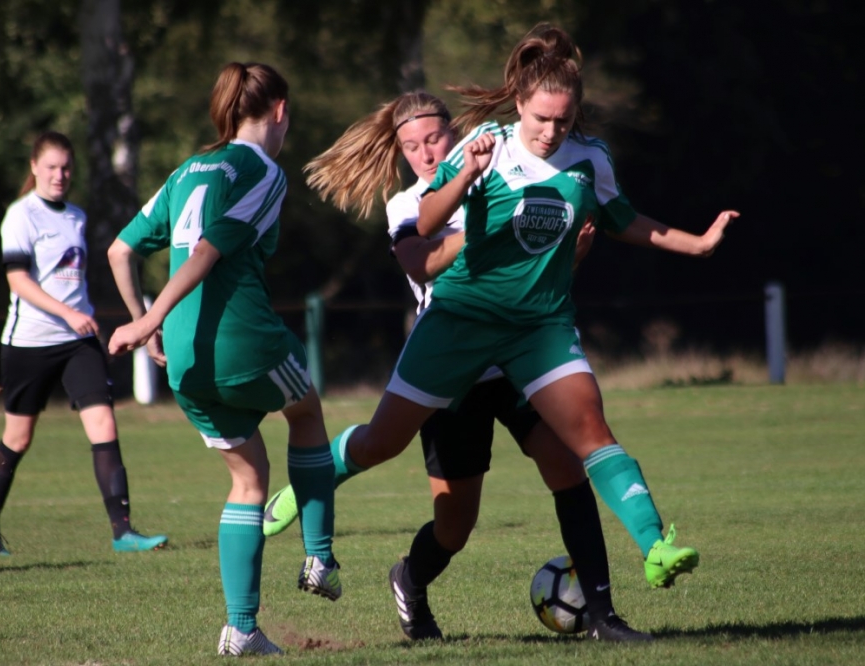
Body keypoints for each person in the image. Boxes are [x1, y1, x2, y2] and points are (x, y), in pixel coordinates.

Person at [265, 91, 651, 642]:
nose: (426, 154)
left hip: (519, 361)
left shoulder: (509, 171)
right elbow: (423, 267)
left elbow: (535, 274)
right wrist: (487, 228)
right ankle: (402, 570)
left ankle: (605, 618)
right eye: (411, 147)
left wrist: (568, 254)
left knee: (568, 470)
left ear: (458, 135)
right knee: (454, 523)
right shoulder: (409, 205)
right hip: (453, 375)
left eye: (434, 140)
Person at [106, 61, 340, 658]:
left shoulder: (186, 170)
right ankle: (319, 558)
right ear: (280, 111)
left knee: (248, 478)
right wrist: (147, 322)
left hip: (185, 361)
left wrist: (150, 325)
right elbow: (209, 251)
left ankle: (241, 630)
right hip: (243, 339)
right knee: (307, 413)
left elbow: (119, 250)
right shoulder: (264, 171)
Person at [0, 131, 168, 559]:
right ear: (34, 167)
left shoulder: (77, 217)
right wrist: (67, 313)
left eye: (66, 168)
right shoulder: (21, 215)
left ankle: (123, 532)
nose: (59, 175)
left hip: (78, 343)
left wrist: (83, 318)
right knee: (18, 438)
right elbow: (18, 281)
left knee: (105, 427)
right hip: (29, 342)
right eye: (51, 167)